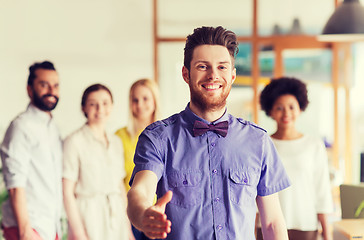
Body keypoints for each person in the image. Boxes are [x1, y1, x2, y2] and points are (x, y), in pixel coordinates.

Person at [127, 26, 291, 240]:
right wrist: (143, 216)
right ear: (186, 74)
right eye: (203, 66)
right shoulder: (157, 138)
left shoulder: (258, 141)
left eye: (222, 67)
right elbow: (139, 192)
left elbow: (272, 223)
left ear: (232, 75)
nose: (213, 75)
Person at [259, 77, 333, 240]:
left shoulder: (314, 145)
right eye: (279, 108)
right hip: (267, 227)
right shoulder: (263, 144)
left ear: (300, 109)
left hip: (305, 225)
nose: (286, 113)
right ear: (270, 111)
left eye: (291, 107)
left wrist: (328, 235)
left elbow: (323, 193)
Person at [62, 84, 134, 240]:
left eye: (105, 103)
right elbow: (67, 192)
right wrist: (80, 234)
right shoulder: (74, 141)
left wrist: (128, 229)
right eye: (93, 104)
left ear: (112, 106)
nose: (100, 109)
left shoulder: (116, 141)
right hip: (89, 217)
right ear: (84, 108)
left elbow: (119, 186)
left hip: (116, 217)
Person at [0, 61, 62, 240]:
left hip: (50, 227)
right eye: (44, 85)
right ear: (29, 89)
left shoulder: (53, 128)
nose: (51, 90)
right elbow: (14, 184)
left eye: (55, 85)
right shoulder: (21, 127)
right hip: (28, 228)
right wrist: (25, 231)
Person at [115, 79, 159, 240]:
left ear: (155, 100)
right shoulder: (119, 137)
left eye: (145, 99)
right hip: (131, 217)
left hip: (161, 215)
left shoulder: (167, 136)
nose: (140, 104)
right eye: (135, 100)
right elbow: (118, 183)